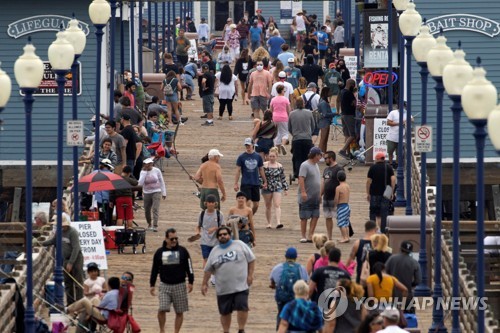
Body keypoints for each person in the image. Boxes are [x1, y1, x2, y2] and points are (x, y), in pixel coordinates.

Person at [201, 226, 256, 333]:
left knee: (242, 307)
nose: (223, 236)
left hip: (241, 286)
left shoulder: (239, 244)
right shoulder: (214, 251)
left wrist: (250, 275)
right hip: (223, 289)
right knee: (225, 312)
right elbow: (207, 270)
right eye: (220, 235)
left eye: (225, 234)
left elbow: (251, 259)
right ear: (217, 238)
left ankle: (241, 329)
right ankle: (226, 331)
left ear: (229, 235)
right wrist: (204, 283)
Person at [150, 228, 194, 333]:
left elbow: (189, 267)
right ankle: (162, 330)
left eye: (176, 238)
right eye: (171, 239)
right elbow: (155, 269)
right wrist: (152, 284)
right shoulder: (159, 252)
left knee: (179, 311)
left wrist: (191, 281)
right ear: (166, 239)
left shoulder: (183, 251)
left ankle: (176, 331)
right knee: (162, 308)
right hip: (165, 285)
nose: (174, 241)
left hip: (180, 284)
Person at [42, 214, 84, 305]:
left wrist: (71, 262)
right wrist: (41, 243)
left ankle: (80, 302)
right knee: (68, 283)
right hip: (66, 259)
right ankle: (70, 303)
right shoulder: (59, 232)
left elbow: (76, 248)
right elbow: (53, 241)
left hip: (76, 259)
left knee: (78, 282)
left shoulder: (73, 232)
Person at [270, 247, 309, 330]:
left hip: (282, 298)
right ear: (296, 257)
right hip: (296, 297)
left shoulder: (278, 268)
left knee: (281, 313)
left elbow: (272, 282)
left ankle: (279, 329)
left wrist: (273, 286)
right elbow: (305, 283)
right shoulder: (301, 268)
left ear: (285, 256)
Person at [385, 241, 421, 313]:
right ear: (410, 251)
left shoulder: (392, 259)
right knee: (408, 318)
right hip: (407, 295)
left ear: (400, 249)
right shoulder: (414, 262)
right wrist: (410, 284)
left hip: (392, 294)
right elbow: (418, 280)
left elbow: (385, 273)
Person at [234, 138, 267, 215]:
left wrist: (265, 181)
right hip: (246, 183)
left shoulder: (258, 156)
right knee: (248, 203)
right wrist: (236, 183)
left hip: (255, 183)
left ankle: (249, 218)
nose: (247, 147)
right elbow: (238, 170)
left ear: (253, 145)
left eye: (249, 145)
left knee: (256, 205)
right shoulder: (241, 157)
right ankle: (246, 220)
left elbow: (261, 169)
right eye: (246, 145)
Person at [298, 146, 322, 243]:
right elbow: (301, 178)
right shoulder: (305, 165)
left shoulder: (316, 165)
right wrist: (303, 192)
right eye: (319, 155)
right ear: (315, 155)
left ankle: (310, 234)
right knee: (304, 216)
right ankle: (303, 235)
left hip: (315, 195)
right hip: (306, 195)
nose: (321, 157)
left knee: (315, 215)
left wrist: (320, 194)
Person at [366, 152, 395, 232]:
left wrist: (368, 193)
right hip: (386, 193)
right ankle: (383, 231)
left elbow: (368, 181)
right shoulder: (388, 167)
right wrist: (392, 191)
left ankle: (372, 230)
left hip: (374, 193)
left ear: (377, 159)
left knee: (373, 212)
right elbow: (393, 179)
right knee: (384, 213)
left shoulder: (373, 167)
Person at [288, 98, 315, 181]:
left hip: (296, 138)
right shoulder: (309, 113)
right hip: (307, 138)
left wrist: (294, 134)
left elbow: (289, 128)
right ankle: (307, 173)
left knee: (297, 157)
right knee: (307, 157)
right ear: (304, 104)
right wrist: (309, 133)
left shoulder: (292, 114)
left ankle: (297, 174)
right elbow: (313, 126)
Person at [262, 147, 289, 229]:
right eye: (270, 156)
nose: (272, 158)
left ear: (276, 156)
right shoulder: (264, 165)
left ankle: (278, 222)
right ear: (268, 156)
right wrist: (262, 184)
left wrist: (285, 188)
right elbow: (260, 176)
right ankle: (269, 223)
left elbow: (282, 177)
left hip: (277, 186)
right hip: (267, 186)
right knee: (268, 205)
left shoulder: (279, 166)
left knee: (277, 204)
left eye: (273, 156)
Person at [195, 194, 224, 269]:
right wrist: (197, 233)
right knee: (206, 259)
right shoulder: (202, 214)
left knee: (215, 260)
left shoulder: (219, 214)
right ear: (206, 203)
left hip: (216, 241)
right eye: (209, 202)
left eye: (212, 202)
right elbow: (198, 226)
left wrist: (214, 228)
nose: (211, 204)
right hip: (205, 241)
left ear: (215, 203)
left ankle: (214, 278)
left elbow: (223, 227)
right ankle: (206, 276)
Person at [138, 157, 167, 232]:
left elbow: (161, 181)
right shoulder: (142, 172)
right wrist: (144, 172)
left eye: (150, 163)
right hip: (147, 192)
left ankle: (155, 225)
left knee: (155, 208)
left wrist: (164, 192)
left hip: (156, 191)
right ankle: (149, 223)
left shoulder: (157, 170)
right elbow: (140, 183)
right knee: (147, 210)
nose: (149, 165)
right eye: (147, 164)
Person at [321, 151, 343, 240]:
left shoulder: (339, 169)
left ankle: (344, 235)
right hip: (326, 197)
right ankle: (329, 237)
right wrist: (320, 194)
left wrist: (338, 197)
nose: (325, 160)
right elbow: (323, 182)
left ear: (331, 158)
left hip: (336, 197)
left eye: (326, 158)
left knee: (340, 217)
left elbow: (342, 183)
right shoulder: (326, 170)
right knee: (328, 217)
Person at [269, 84, 291, 155]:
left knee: (277, 134)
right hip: (284, 117)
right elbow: (288, 110)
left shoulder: (273, 99)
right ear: (281, 91)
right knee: (285, 132)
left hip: (275, 117)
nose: (284, 91)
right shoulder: (285, 99)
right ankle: (283, 144)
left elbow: (270, 109)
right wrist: (289, 116)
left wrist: (271, 117)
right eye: (283, 90)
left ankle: (277, 150)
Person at [338, 79, 357, 159]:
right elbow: (354, 103)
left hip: (343, 114)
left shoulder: (342, 91)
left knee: (347, 135)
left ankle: (348, 154)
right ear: (351, 85)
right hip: (349, 115)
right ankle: (343, 150)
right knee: (352, 135)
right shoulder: (349, 93)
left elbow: (338, 100)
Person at [334, 170, 351, 243]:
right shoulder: (347, 186)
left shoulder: (338, 188)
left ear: (337, 178)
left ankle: (345, 237)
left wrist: (335, 204)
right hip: (347, 206)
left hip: (341, 207)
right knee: (346, 223)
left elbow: (336, 198)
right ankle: (346, 236)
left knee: (341, 223)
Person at [317, 86, 334, 153]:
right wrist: (334, 114)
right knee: (323, 139)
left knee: (325, 139)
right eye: (329, 91)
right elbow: (325, 114)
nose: (331, 93)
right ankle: (319, 154)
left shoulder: (322, 101)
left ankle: (323, 153)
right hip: (324, 122)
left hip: (326, 122)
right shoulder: (323, 102)